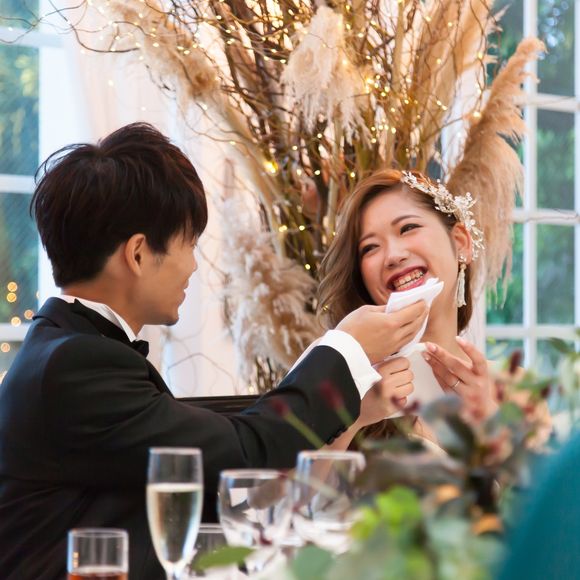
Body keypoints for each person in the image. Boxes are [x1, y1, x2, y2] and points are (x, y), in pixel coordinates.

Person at [0, 124, 428, 580]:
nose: (192, 266)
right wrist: (346, 347)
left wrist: (352, 403)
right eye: (189, 244)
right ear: (138, 254)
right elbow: (243, 451)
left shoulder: (69, 350)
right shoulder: (74, 365)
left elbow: (227, 450)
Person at [317, 168, 499, 443]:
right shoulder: (338, 385)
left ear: (461, 243)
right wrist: (353, 416)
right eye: (370, 247)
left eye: (408, 228)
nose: (393, 256)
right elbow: (292, 472)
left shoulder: (517, 391)